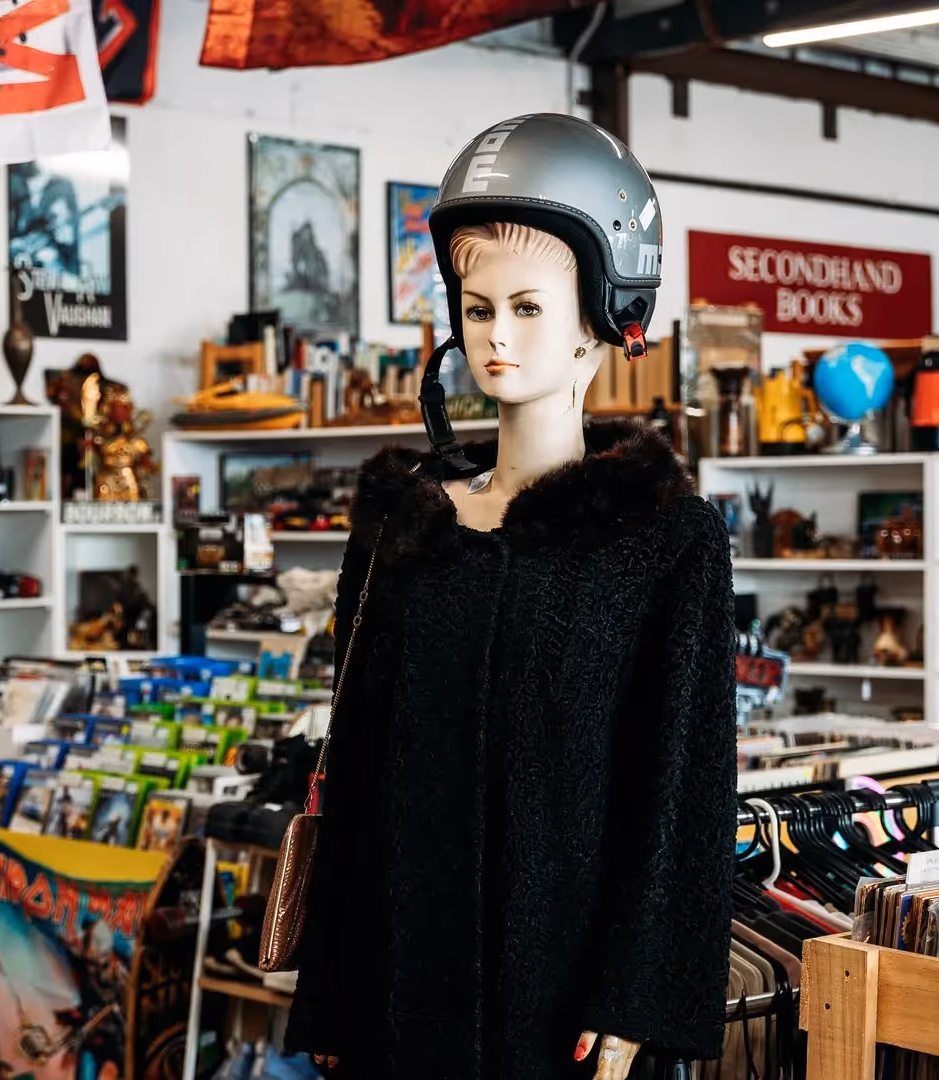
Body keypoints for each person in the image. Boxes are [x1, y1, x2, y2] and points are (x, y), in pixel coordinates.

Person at [286, 114, 737, 1080]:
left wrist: (639, 993)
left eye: (528, 307)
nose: (493, 336)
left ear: (604, 314)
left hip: (561, 999)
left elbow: (683, 789)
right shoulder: (402, 524)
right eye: (476, 305)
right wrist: (329, 983)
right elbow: (354, 764)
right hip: (400, 986)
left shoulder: (660, 542)